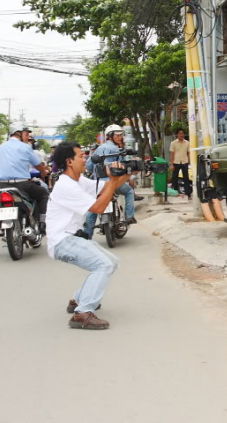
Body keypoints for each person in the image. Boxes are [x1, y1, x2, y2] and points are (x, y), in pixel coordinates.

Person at [47, 141, 131, 330]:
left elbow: (108, 188)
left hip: (71, 238)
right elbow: (98, 207)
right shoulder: (66, 186)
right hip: (62, 241)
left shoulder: (79, 180)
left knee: (112, 261)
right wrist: (111, 179)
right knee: (103, 264)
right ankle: (82, 313)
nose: (84, 159)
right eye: (80, 156)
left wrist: (126, 172)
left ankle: (78, 300)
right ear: (69, 161)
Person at [0, 122, 50, 257]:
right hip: (23, 185)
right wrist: (43, 172)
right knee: (43, 193)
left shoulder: (0, 148)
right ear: (19, 133)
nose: (28, 136)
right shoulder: (25, 148)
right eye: (26, 133)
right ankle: (42, 223)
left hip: (4, 186)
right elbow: (38, 165)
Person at [82, 124, 136, 239]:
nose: (120, 137)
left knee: (94, 206)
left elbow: (89, 165)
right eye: (117, 135)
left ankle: (87, 234)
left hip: (98, 184)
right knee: (129, 192)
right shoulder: (117, 150)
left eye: (121, 135)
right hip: (113, 182)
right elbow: (123, 167)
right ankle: (129, 217)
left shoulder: (98, 149)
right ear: (110, 136)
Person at [170, 128, 191, 195]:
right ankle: (175, 192)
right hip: (176, 162)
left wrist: (189, 161)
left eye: (182, 133)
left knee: (186, 178)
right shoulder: (173, 143)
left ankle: (187, 193)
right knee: (174, 178)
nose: (181, 135)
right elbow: (172, 154)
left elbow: (188, 153)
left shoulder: (187, 143)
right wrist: (171, 164)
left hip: (185, 162)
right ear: (177, 134)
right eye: (180, 133)